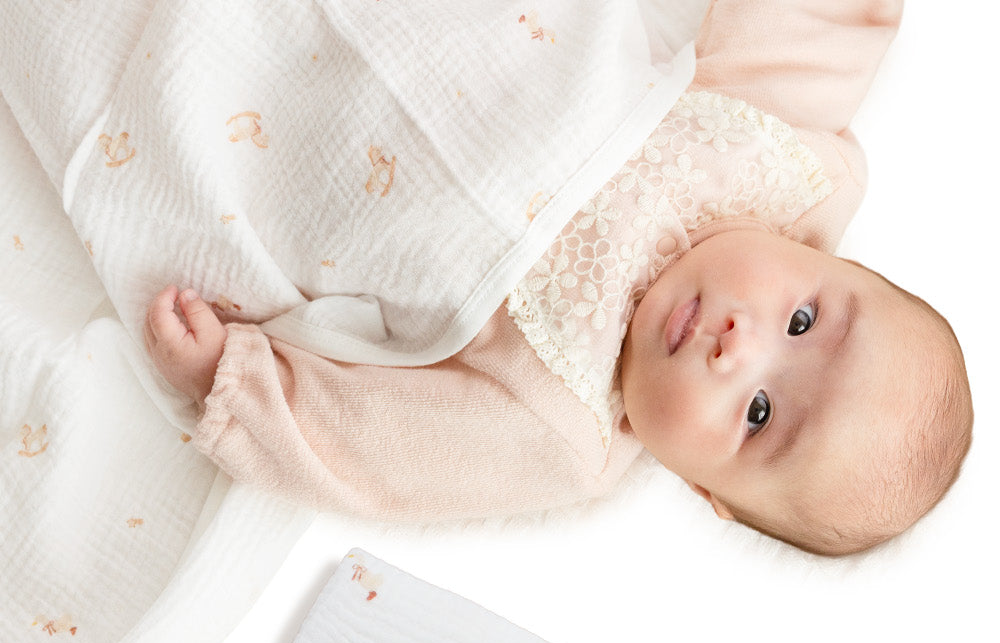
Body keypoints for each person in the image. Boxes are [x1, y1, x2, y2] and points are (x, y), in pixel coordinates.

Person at [143, 0, 973, 556]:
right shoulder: (782, 164)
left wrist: (238, 385)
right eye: (802, 321)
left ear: (702, 488)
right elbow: (821, 28)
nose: (738, 347)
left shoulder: (562, 435)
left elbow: (385, 454)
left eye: (757, 415)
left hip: (303, 128)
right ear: (831, 258)